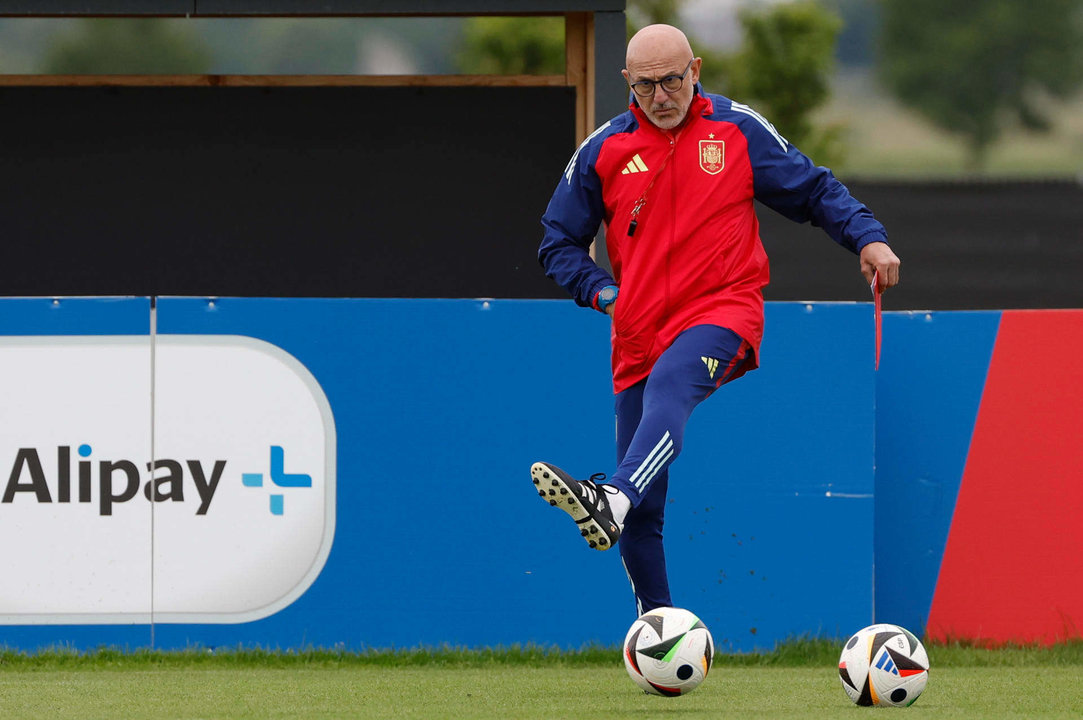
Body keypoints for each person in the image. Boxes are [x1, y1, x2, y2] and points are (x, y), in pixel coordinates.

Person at [530, 24, 900, 617]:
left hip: (722, 309)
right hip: (636, 331)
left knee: (673, 386)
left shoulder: (736, 129)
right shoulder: (604, 149)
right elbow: (557, 243)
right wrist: (604, 294)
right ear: (627, 82)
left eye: (672, 80)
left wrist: (868, 238)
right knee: (644, 513)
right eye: (646, 85)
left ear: (695, 70)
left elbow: (812, 190)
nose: (661, 95)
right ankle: (660, 632)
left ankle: (612, 494)